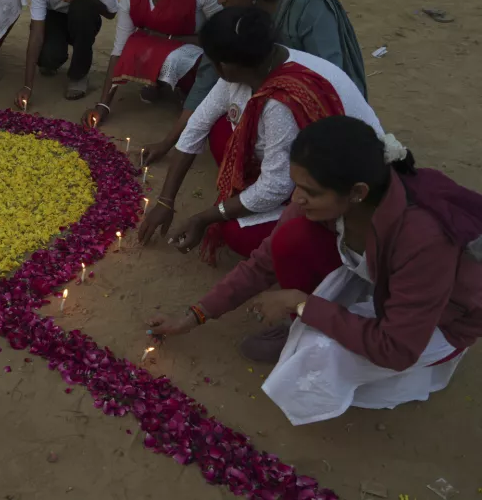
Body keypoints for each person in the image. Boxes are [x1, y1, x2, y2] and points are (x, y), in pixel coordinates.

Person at [146, 117, 482, 425]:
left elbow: (396, 347)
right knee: (292, 239)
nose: (298, 198)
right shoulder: (331, 199)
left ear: (358, 193)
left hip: (442, 321)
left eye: (310, 192)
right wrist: (194, 315)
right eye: (297, 186)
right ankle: (306, 327)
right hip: (382, 282)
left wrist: (303, 304)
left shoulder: (422, 239)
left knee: (315, 354)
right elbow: (263, 263)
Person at [137, 7, 380, 263]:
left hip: (341, 183)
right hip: (300, 162)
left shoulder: (281, 102)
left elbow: (276, 186)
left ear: (225, 65)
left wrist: (206, 216)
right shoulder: (252, 63)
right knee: (220, 130)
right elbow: (198, 124)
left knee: (239, 234)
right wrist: (166, 200)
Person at [140, 0, 368, 165]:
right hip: (268, 100)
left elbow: (328, 79)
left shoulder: (307, 6)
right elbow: (206, 79)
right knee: (221, 135)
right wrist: (167, 142)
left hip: (314, 108)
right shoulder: (233, 15)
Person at [81, 0, 220, 127]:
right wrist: (103, 104)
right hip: (160, 44)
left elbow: (222, 36)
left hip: (200, 48)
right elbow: (119, 49)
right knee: (134, 45)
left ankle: (190, 89)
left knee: (175, 59)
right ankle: (159, 83)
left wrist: (172, 38)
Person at [13, 0, 118, 107]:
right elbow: (37, 33)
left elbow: (111, 13)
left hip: (84, 20)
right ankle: (51, 60)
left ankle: (78, 75)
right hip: (55, 19)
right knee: (49, 57)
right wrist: (27, 85)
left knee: (82, 7)